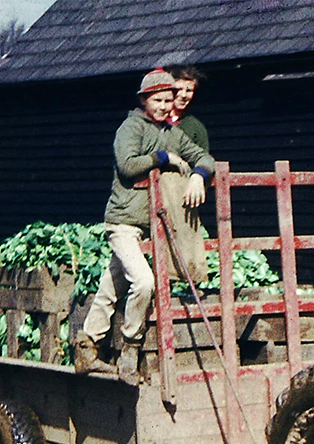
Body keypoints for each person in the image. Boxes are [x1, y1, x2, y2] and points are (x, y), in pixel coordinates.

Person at [76, 67, 216, 383]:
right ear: (144, 100)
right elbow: (128, 165)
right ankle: (130, 349)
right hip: (123, 222)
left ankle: (87, 348)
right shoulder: (131, 128)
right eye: (158, 100)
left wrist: (198, 176)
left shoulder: (172, 132)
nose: (165, 106)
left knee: (111, 287)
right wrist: (163, 157)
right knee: (144, 282)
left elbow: (204, 157)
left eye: (168, 100)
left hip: (149, 227)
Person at [167, 64, 209, 152]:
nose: (184, 95)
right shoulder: (152, 121)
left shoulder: (196, 127)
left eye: (188, 90)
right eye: (179, 89)